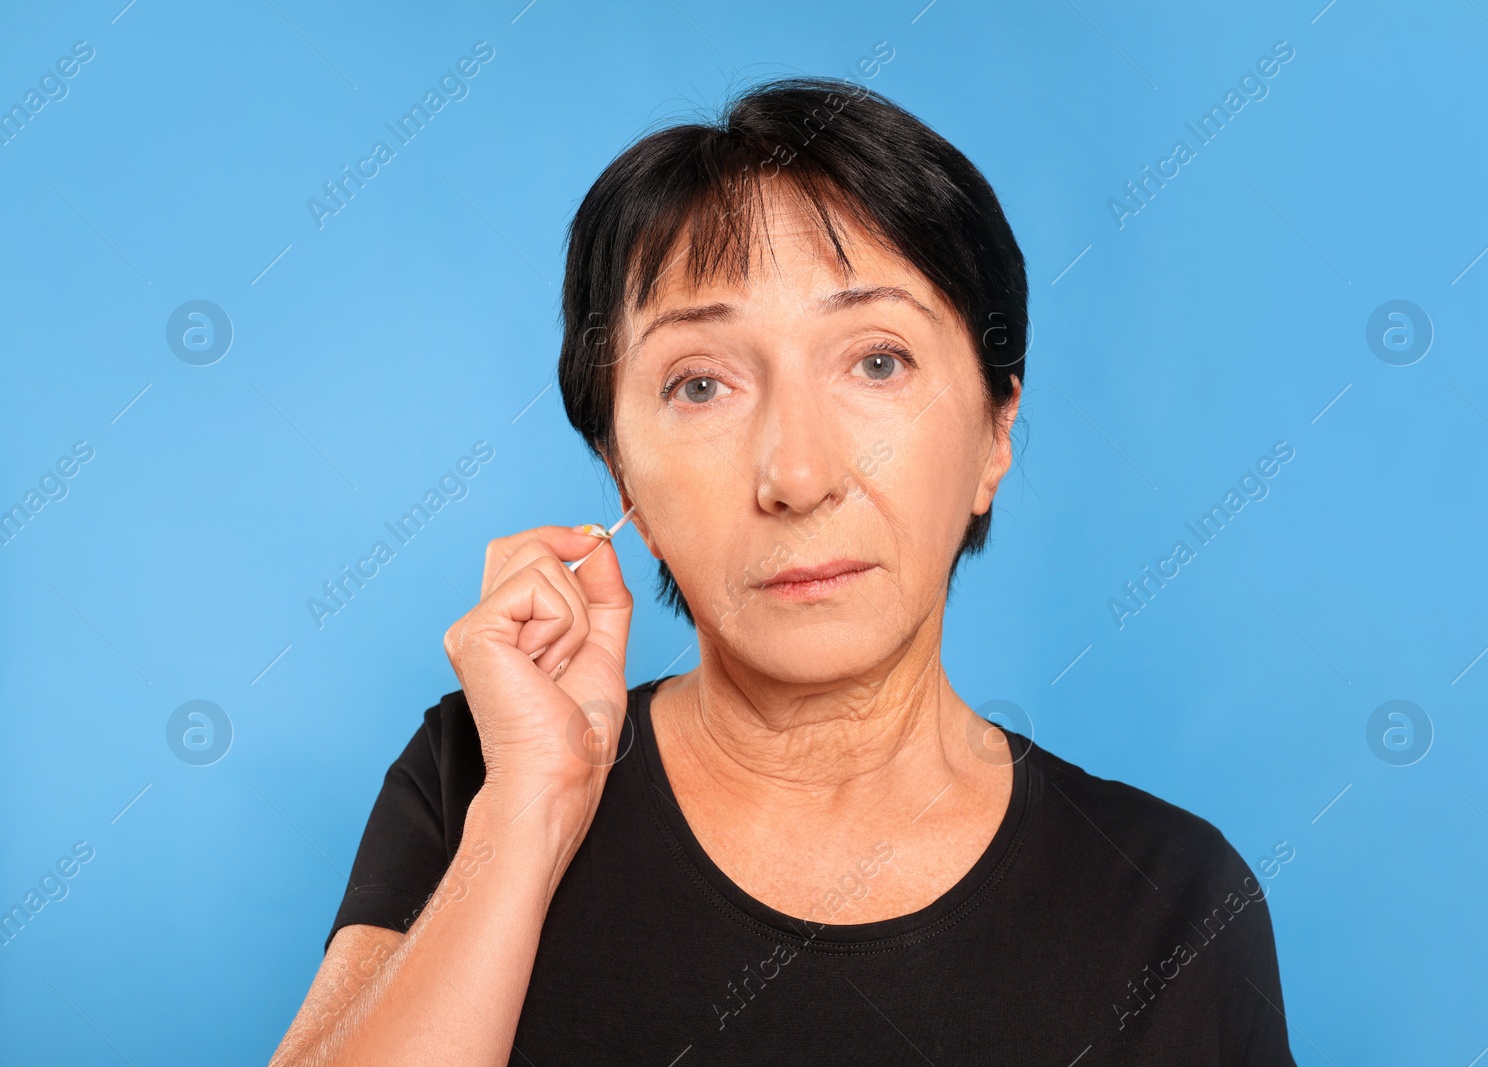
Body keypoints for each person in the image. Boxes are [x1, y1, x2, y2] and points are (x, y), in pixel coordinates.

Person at [270, 76, 1298, 1066]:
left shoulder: (1168, 900)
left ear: (995, 432)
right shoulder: (479, 772)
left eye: (877, 361)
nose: (796, 474)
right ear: (620, 470)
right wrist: (529, 809)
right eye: (702, 382)